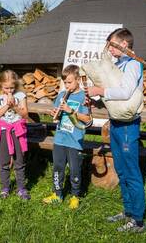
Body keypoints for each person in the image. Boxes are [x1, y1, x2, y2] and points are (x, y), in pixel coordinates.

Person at [87, 28, 146, 233]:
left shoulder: (133, 65)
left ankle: (138, 220)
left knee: (131, 172)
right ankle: (128, 211)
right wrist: (96, 99)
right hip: (116, 124)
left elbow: (126, 92)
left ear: (124, 44)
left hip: (128, 126)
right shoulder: (119, 64)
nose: (109, 49)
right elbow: (114, 98)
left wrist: (100, 91)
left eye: (112, 44)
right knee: (121, 170)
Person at [42, 65, 91, 209]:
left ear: (78, 80)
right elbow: (57, 118)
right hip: (60, 138)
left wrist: (71, 111)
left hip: (75, 139)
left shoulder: (83, 97)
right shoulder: (61, 95)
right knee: (58, 167)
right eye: (65, 82)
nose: (67, 85)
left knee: (75, 169)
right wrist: (54, 114)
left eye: (69, 82)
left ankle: (75, 196)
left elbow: (87, 119)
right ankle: (57, 194)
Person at [0, 70, 30, 200]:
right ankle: (5, 188)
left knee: (20, 160)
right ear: (0, 85)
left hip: (18, 130)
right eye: (6, 88)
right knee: (4, 161)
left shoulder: (20, 95)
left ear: (16, 85)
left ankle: (21, 188)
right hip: (3, 130)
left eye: (12, 87)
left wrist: (15, 106)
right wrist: (7, 105)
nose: (9, 91)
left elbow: (25, 115)